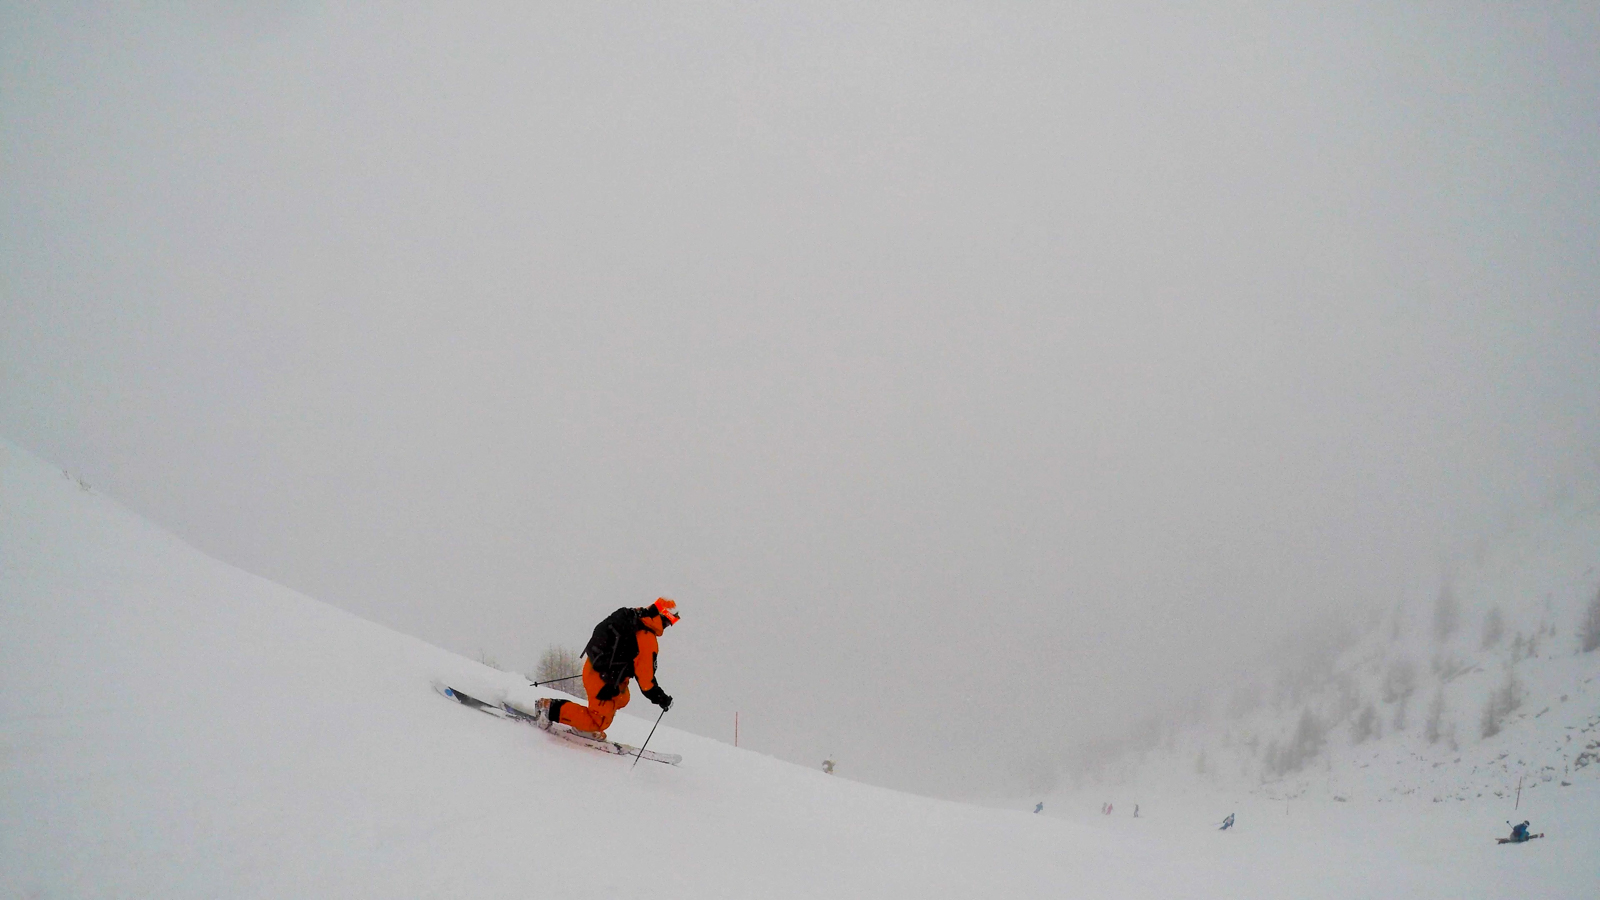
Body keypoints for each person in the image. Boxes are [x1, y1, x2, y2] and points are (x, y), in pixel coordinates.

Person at [535, 598, 679, 740]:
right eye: (669, 621)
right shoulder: (647, 639)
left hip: (595, 668)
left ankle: (584, 722)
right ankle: (549, 708)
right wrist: (662, 698)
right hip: (603, 681)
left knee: (623, 698)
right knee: (600, 721)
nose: (668, 626)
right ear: (662, 617)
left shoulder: (635, 617)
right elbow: (646, 683)